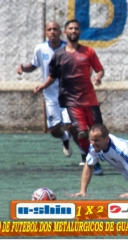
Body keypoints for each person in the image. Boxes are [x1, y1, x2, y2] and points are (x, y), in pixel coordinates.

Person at [34, 19, 104, 175]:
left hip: (89, 99)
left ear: (79, 32)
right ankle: (91, 161)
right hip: (71, 100)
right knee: (80, 131)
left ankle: (111, 157)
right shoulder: (59, 55)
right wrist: (43, 86)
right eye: (70, 28)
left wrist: (98, 77)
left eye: (76, 28)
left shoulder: (89, 52)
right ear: (66, 32)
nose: (73, 31)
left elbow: (99, 69)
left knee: (98, 132)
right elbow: (52, 76)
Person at [17, 20, 80, 158]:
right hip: (50, 96)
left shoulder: (68, 48)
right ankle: (64, 137)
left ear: (60, 32)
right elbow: (34, 65)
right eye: (49, 29)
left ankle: (84, 153)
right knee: (54, 130)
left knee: (71, 125)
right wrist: (23, 68)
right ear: (46, 33)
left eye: (55, 29)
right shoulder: (40, 49)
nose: (52, 32)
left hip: (67, 95)